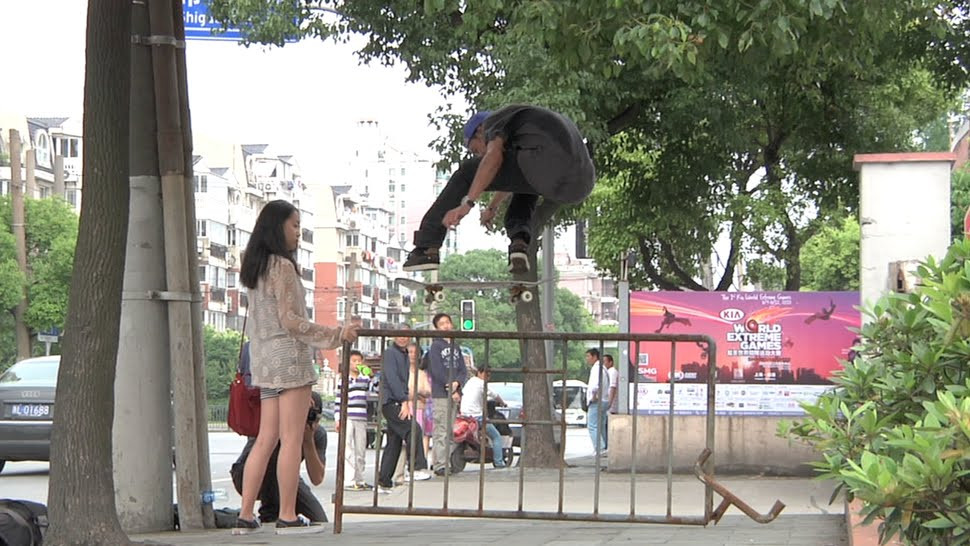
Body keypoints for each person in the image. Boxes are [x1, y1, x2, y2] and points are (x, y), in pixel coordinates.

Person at [234, 199, 359, 536]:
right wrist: (336, 335)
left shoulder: (253, 266)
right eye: (294, 225)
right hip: (290, 359)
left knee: (265, 439)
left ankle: (246, 514)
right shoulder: (283, 267)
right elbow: (291, 320)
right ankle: (287, 515)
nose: (298, 233)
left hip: (263, 360)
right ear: (278, 227)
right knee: (290, 440)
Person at [403, 105, 596, 274]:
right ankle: (519, 244)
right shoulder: (527, 135)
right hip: (579, 185)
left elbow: (493, 158)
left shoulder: (494, 122)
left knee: (469, 170)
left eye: (475, 149)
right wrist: (493, 206)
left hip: (546, 164)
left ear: (480, 132)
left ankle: (426, 247)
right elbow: (513, 176)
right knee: (527, 186)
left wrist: (468, 203)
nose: (479, 154)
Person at [230, 391, 328, 524]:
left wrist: (308, 441)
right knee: (274, 456)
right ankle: (271, 514)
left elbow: (317, 478)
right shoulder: (273, 426)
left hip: (287, 477)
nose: (304, 419)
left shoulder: (317, 433)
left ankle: (272, 513)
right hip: (247, 477)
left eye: (310, 416)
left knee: (319, 518)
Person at [378, 329, 432, 491]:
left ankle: (384, 479)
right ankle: (415, 467)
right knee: (413, 429)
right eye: (400, 335)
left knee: (394, 441)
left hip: (400, 400)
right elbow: (392, 378)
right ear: (394, 336)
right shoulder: (390, 353)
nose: (402, 338)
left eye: (406, 335)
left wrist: (405, 399)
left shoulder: (403, 355)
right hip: (391, 401)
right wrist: (403, 400)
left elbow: (403, 381)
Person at [427, 313, 467, 476]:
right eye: (442, 324)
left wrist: (457, 385)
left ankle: (448, 461)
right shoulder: (436, 346)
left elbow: (463, 370)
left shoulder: (456, 347)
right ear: (437, 328)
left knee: (450, 430)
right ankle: (439, 464)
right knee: (441, 429)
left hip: (454, 393)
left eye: (447, 322)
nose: (446, 326)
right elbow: (437, 370)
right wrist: (451, 388)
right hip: (441, 393)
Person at [393, 342, 432, 484]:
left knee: (417, 441)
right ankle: (398, 475)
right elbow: (402, 392)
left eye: (416, 352)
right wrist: (416, 394)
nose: (413, 355)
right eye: (410, 352)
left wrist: (417, 394)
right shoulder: (400, 372)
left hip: (420, 409)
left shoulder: (422, 374)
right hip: (406, 408)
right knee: (404, 442)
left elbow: (427, 392)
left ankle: (414, 470)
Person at [334, 350, 372, 491]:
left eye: (359, 361)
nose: (356, 364)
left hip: (361, 416)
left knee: (361, 449)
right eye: (353, 361)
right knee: (347, 449)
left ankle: (360, 478)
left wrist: (370, 376)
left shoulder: (365, 379)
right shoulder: (343, 379)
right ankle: (349, 480)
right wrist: (338, 418)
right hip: (347, 416)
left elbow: (373, 392)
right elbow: (338, 400)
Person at [459, 365, 508, 468]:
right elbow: (495, 395)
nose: (488, 378)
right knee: (496, 436)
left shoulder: (470, 382)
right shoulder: (481, 383)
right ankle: (499, 462)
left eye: (489, 376)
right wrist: (503, 403)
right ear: (480, 373)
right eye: (487, 375)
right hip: (477, 417)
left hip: (464, 415)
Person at [585, 349, 608, 453]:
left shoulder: (596, 369)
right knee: (601, 425)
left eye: (588, 356)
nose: (587, 359)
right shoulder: (604, 369)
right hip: (604, 400)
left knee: (592, 425)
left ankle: (600, 448)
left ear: (594, 357)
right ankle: (604, 446)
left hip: (597, 401)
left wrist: (593, 396)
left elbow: (595, 384)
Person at [603, 354, 619, 450]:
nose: (603, 363)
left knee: (607, 425)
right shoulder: (607, 372)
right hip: (609, 402)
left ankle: (606, 446)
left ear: (610, 362)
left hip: (611, 404)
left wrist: (609, 402)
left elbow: (612, 387)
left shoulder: (612, 372)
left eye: (605, 361)